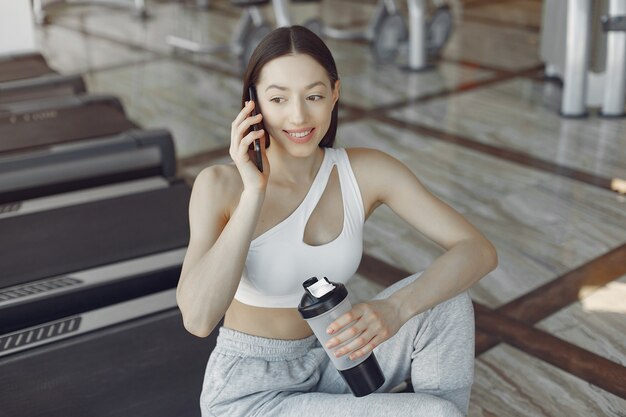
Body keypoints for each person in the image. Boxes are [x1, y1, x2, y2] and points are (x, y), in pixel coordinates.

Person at [176, 25, 498, 417]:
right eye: (278, 98)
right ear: (253, 102)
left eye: (314, 95)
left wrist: (398, 308)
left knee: (447, 304)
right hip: (251, 394)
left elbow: (477, 250)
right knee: (436, 414)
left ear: (335, 94)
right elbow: (198, 319)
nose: (298, 116)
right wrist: (253, 194)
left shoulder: (365, 171)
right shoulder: (219, 185)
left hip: (335, 359)